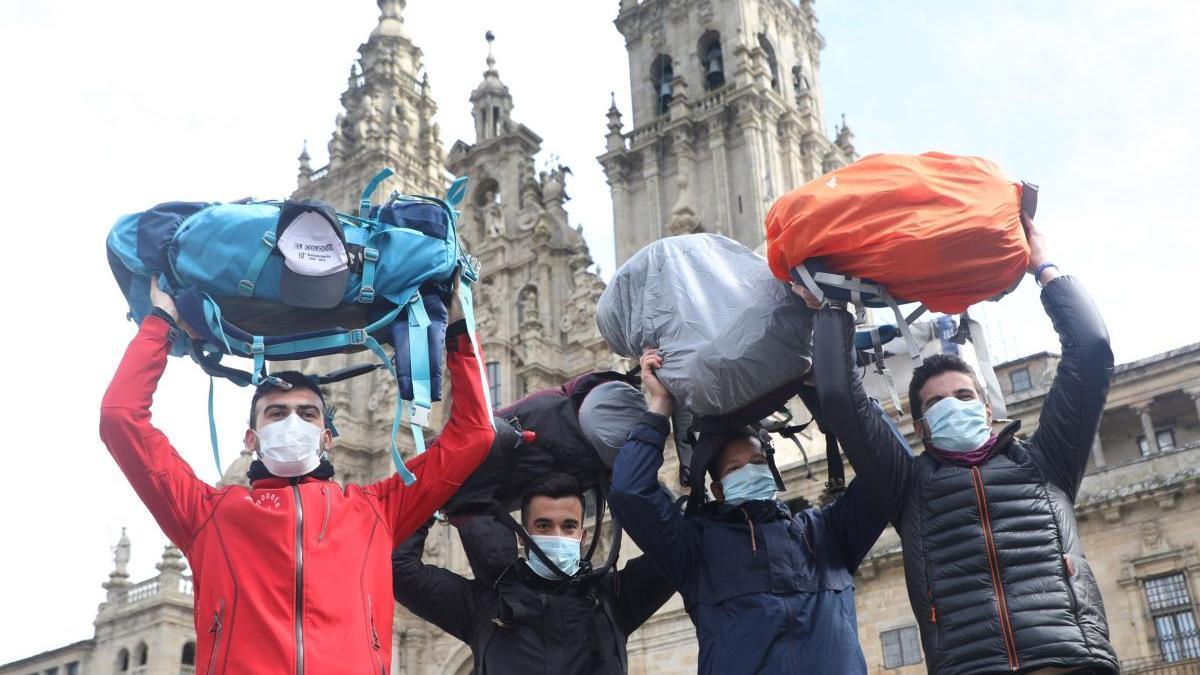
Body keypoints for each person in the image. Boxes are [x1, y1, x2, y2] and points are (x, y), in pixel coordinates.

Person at [98, 277, 495, 675]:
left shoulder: (376, 511)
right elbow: (120, 418)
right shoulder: (206, 515)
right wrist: (160, 323)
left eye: (306, 414)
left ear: (326, 438)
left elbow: (474, 435)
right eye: (276, 412)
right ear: (251, 438)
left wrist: (459, 329)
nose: (292, 422)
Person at [805, 216, 1119, 674]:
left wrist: (1044, 268)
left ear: (987, 408)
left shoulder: (1046, 462)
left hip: (1070, 664)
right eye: (936, 403)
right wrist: (831, 303)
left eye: (964, 395)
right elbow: (839, 396)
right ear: (920, 425)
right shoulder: (907, 487)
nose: (952, 405)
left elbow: (1090, 350)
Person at [608, 349, 888, 674]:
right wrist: (659, 407)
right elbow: (630, 491)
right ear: (717, 490)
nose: (750, 472)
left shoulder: (825, 533)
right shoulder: (696, 549)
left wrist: (822, 386)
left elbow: (886, 462)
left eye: (757, 463)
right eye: (734, 469)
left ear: (772, 470)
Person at [391, 473, 676, 675]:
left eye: (568, 526)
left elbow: (681, 545)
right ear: (523, 537)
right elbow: (400, 569)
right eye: (543, 526)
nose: (557, 535)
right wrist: (438, 481)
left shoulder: (613, 599)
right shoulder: (486, 606)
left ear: (583, 534)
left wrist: (625, 472)